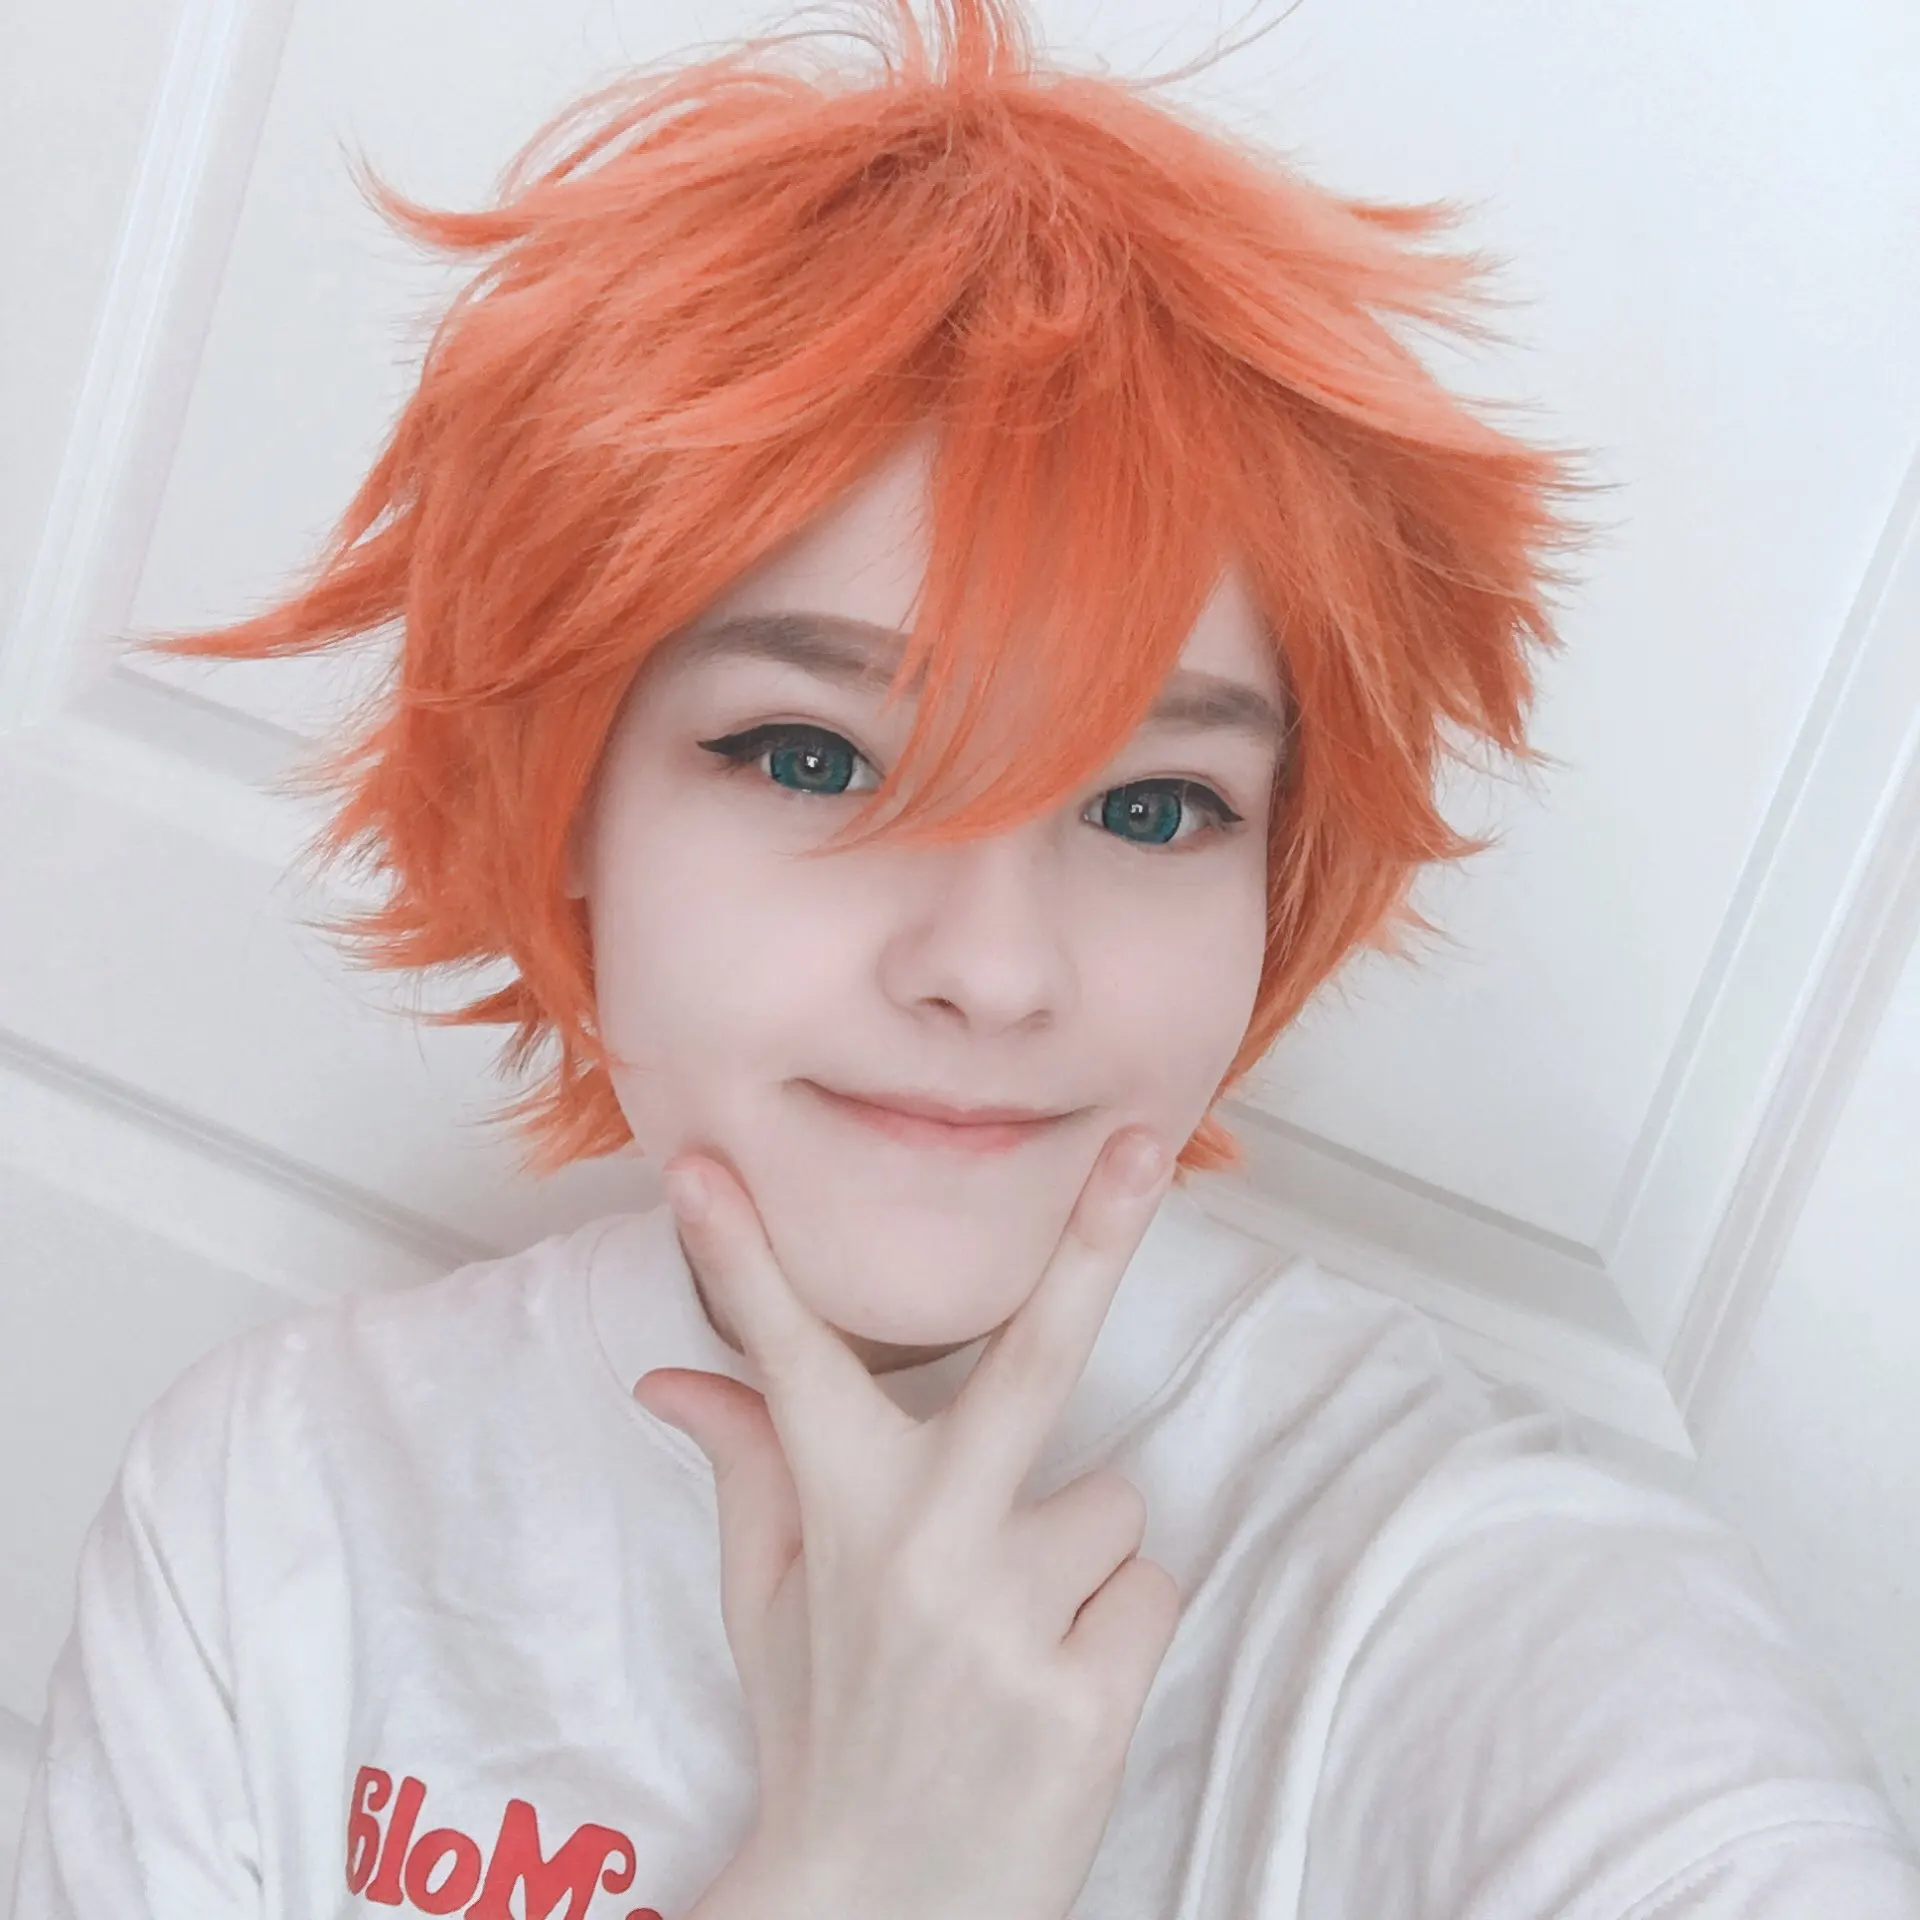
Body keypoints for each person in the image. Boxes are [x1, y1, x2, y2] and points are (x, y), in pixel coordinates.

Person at [12, 1, 1920, 1915]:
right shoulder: (277, 1500)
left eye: (1154, 805)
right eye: (814, 757)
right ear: (565, 795)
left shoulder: (1470, 1596)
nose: (994, 971)